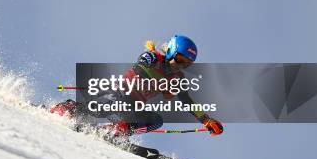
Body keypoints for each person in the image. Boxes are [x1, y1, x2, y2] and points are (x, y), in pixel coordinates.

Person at [50, 35, 224, 138]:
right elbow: (140, 68)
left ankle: (118, 131)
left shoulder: (177, 78)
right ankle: (68, 109)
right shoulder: (154, 57)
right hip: (120, 93)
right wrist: (162, 82)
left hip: (135, 105)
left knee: (156, 121)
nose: (180, 65)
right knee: (101, 109)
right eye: (180, 59)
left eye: (186, 64)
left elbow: (186, 101)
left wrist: (206, 120)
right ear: (171, 51)